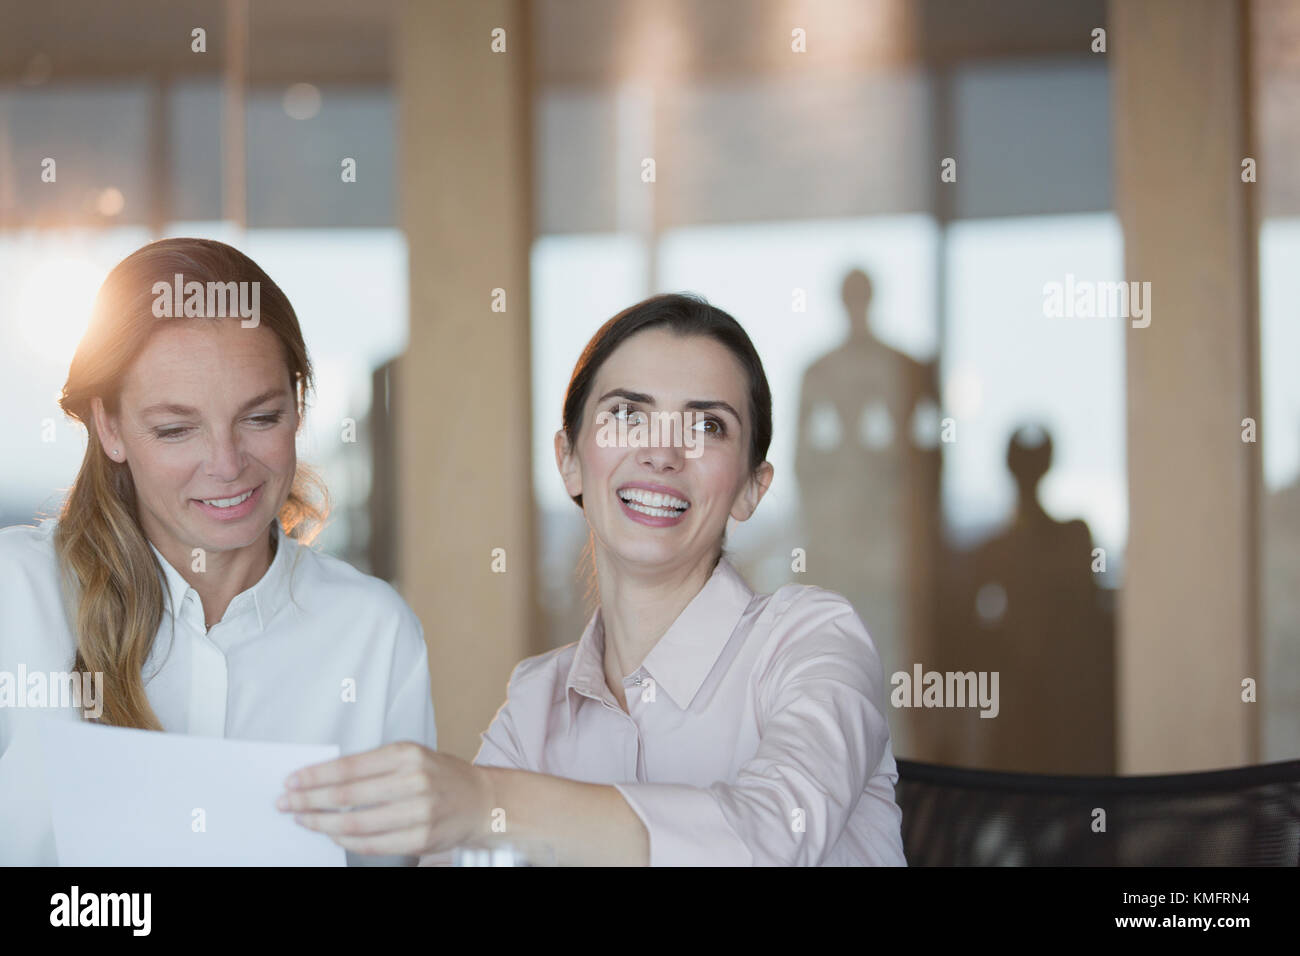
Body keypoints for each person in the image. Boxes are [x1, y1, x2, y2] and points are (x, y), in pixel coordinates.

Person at [280, 293, 906, 866]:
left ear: (750, 488)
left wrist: (485, 802)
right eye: (628, 416)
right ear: (570, 461)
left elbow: (771, 837)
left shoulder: (812, 642)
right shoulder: (536, 704)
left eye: (707, 425)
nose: (662, 452)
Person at [0, 238, 436, 866]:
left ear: (298, 406)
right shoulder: (17, 595)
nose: (228, 466)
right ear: (111, 428)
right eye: (177, 429)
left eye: (261, 418)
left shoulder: (373, 632)